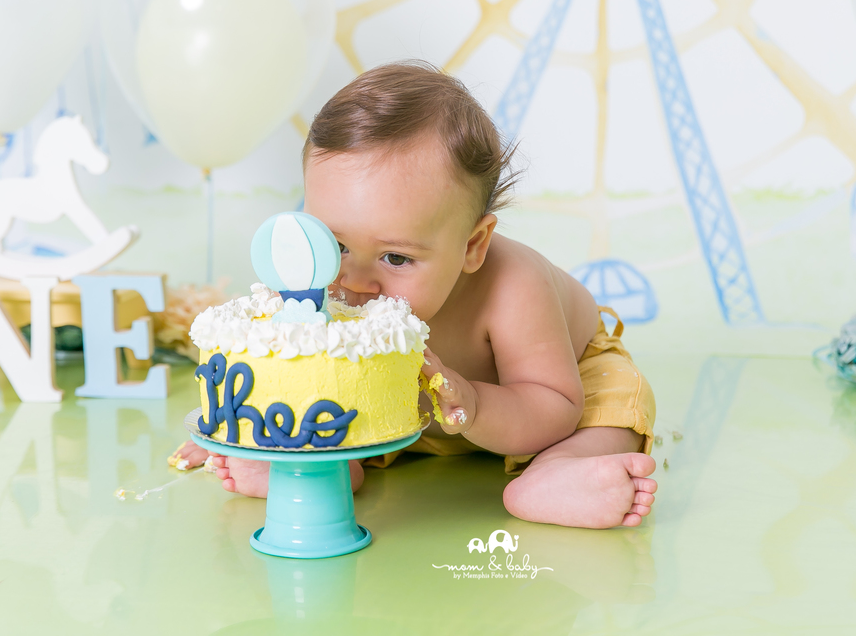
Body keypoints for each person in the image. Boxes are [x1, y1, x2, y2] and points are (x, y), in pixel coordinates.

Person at [171, 61, 657, 528]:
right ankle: (325, 469)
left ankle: (560, 472)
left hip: (544, 395)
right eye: (334, 245)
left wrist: (474, 404)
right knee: (332, 399)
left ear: (472, 245)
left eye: (397, 258)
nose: (354, 282)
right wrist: (247, 431)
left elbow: (553, 406)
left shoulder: (514, 286)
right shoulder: (318, 286)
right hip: (407, 411)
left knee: (609, 409)